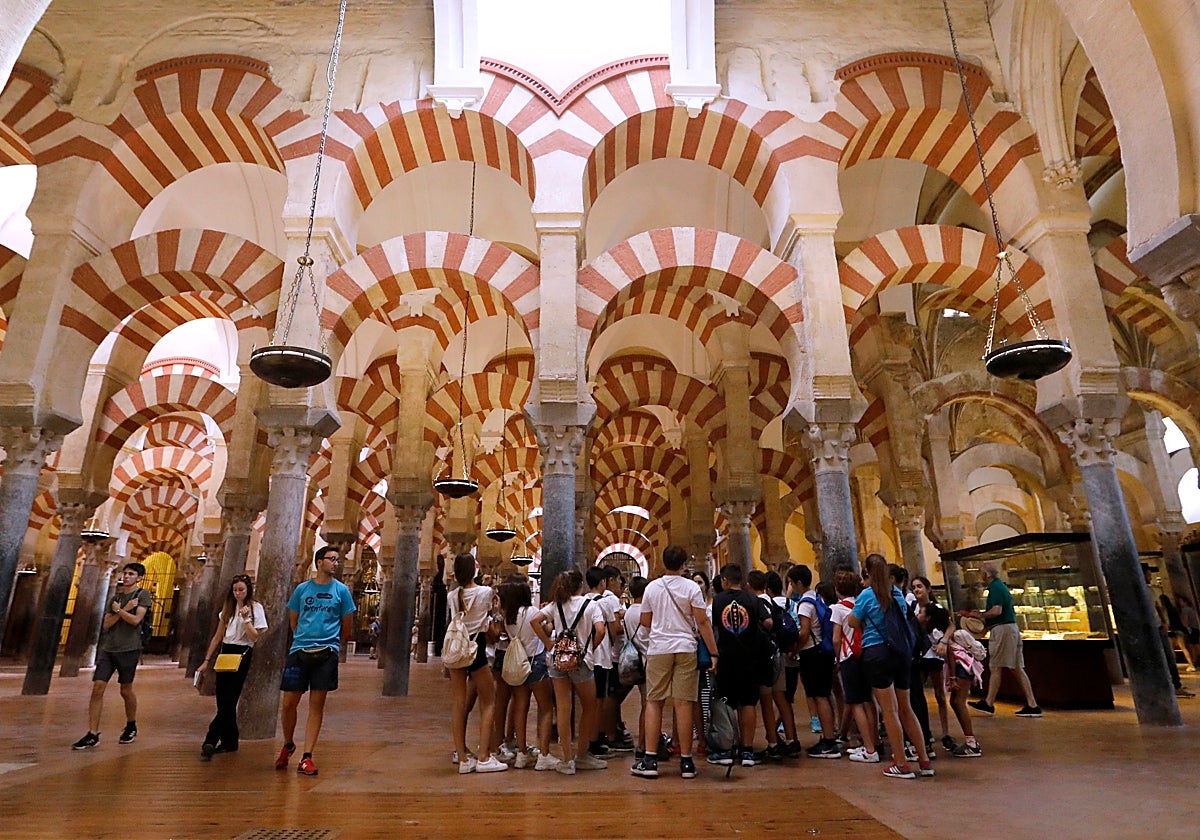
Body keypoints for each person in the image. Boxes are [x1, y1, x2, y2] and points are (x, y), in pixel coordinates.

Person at [634, 545, 719, 780]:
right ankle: (687, 762)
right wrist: (714, 652)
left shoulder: (652, 587)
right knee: (684, 704)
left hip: (659, 648)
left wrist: (663, 622)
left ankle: (650, 760)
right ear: (684, 564)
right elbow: (703, 622)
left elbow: (645, 620)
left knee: (654, 702)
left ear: (663, 563)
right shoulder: (691, 587)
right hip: (685, 648)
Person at [274, 546, 357, 776]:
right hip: (300, 651)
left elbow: (347, 624)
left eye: (338, 560)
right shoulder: (302, 590)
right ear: (319, 562)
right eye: (332, 559)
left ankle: (307, 756)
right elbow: (294, 622)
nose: (336, 563)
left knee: (316, 705)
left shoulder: (342, 591)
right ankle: (288, 743)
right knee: (289, 703)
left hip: (326, 653)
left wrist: (331, 642)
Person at [849, 554, 932, 779]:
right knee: (906, 708)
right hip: (901, 653)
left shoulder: (867, 595)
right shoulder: (896, 592)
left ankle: (901, 763)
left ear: (867, 572)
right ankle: (924, 760)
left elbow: (852, 621)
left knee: (889, 711)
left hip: (877, 653)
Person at [530, 568, 608, 775]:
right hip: (581, 661)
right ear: (581, 585)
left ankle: (566, 759)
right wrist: (590, 648)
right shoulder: (591, 605)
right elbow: (601, 630)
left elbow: (535, 620)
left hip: (558, 660)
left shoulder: (557, 605)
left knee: (563, 709)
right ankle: (582, 754)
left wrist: (549, 644)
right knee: (589, 706)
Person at [72, 562, 153, 750]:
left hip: (129, 649)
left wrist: (120, 610)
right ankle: (92, 733)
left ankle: (131, 725)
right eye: (125, 573)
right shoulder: (116, 598)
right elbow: (107, 624)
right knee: (97, 688)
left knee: (125, 690)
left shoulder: (142, 595)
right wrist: (121, 610)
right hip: (109, 649)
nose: (126, 577)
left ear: (139, 578)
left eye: (131, 574)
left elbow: (136, 620)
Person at [445, 552, 507, 775]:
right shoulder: (485, 592)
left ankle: (462, 758)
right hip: (476, 647)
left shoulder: (452, 595)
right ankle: (483, 757)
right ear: (474, 570)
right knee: (489, 701)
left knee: (459, 703)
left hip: (457, 649)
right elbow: (492, 612)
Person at [707, 563, 771, 768]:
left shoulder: (718, 600)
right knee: (748, 703)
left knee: (725, 702)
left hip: (726, 658)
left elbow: (714, 627)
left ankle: (727, 747)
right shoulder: (752, 598)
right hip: (750, 658)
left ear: (725, 580)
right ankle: (747, 750)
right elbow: (768, 622)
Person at [197, 573, 267, 758]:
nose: (238, 593)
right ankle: (230, 741)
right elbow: (218, 636)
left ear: (248, 590)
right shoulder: (228, 609)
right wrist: (206, 660)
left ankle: (210, 740)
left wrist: (246, 619)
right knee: (223, 700)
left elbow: (255, 637)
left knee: (230, 699)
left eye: (241, 590)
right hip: (225, 653)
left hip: (242, 653)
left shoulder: (255, 608)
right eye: (235, 590)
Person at [965, 561, 1043, 716]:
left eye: (981, 572)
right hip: (1009, 629)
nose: (980, 575)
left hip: (1003, 630)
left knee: (995, 666)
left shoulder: (995, 588)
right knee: (1016, 667)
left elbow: (996, 611)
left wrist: (979, 615)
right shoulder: (999, 586)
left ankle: (989, 703)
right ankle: (1032, 704)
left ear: (986, 574)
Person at [497, 576, 554, 769]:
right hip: (536, 661)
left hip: (519, 663)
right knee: (546, 708)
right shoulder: (532, 612)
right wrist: (548, 620)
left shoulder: (509, 617)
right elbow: (546, 632)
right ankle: (544, 755)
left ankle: (521, 753)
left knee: (520, 708)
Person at [830, 569, 879, 763]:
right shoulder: (860, 603)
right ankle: (875, 741)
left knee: (856, 702)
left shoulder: (838, 608)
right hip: (865, 654)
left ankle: (869, 749)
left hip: (849, 656)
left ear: (837, 589)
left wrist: (837, 659)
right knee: (868, 700)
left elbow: (836, 638)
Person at [791, 564, 839, 759]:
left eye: (792, 583)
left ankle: (828, 741)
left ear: (798, 583)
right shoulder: (817, 597)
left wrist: (794, 649)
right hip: (823, 652)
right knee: (824, 695)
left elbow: (804, 632)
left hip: (812, 653)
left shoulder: (804, 603)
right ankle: (829, 736)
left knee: (819, 696)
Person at [935, 613, 986, 757]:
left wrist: (952, 678)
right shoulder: (953, 635)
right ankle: (970, 741)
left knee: (958, 702)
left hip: (962, 668)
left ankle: (972, 743)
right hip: (963, 668)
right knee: (955, 702)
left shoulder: (948, 637)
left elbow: (951, 656)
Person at [911, 575, 952, 753]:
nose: (916, 590)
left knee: (939, 694)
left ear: (928, 589)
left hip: (934, 654)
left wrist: (944, 641)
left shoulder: (937, 608)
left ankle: (945, 732)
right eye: (914, 587)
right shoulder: (912, 608)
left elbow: (951, 626)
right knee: (917, 694)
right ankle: (923, 730)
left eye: (919, 586)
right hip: (919, 655)